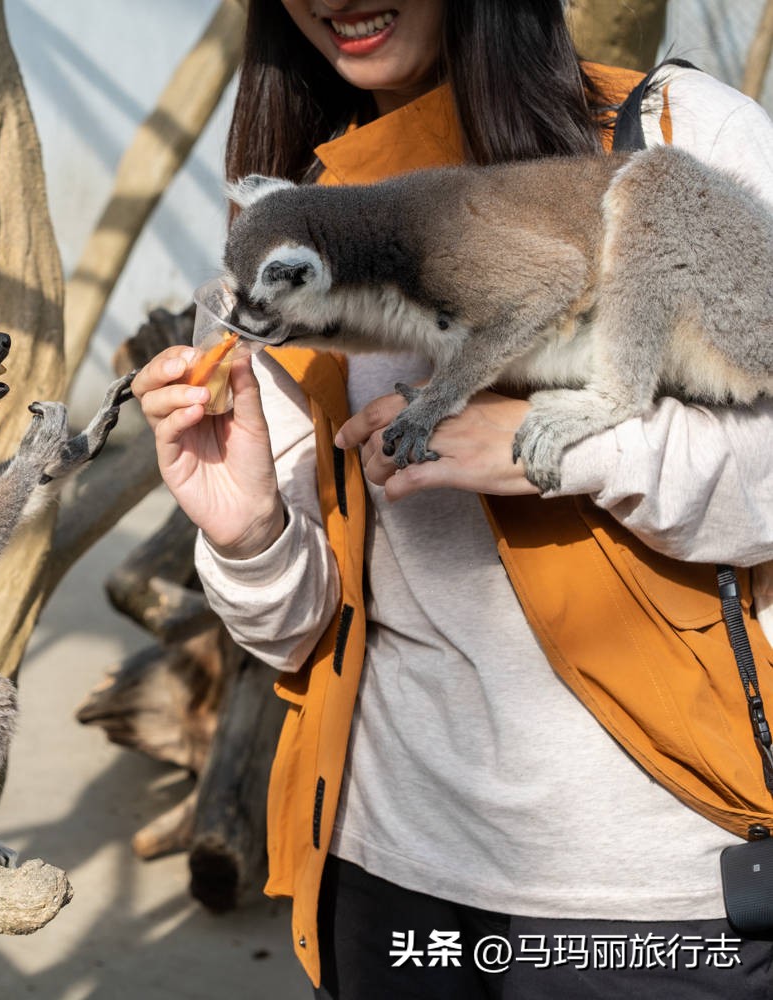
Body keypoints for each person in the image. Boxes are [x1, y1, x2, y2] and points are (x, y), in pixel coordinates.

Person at [133, 1, 773, 997]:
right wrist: (251, 531)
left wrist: (558, 443)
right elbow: (303, 628)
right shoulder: (307, 211)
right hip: (387, 863)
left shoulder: (679, 133)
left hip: (647, 892)